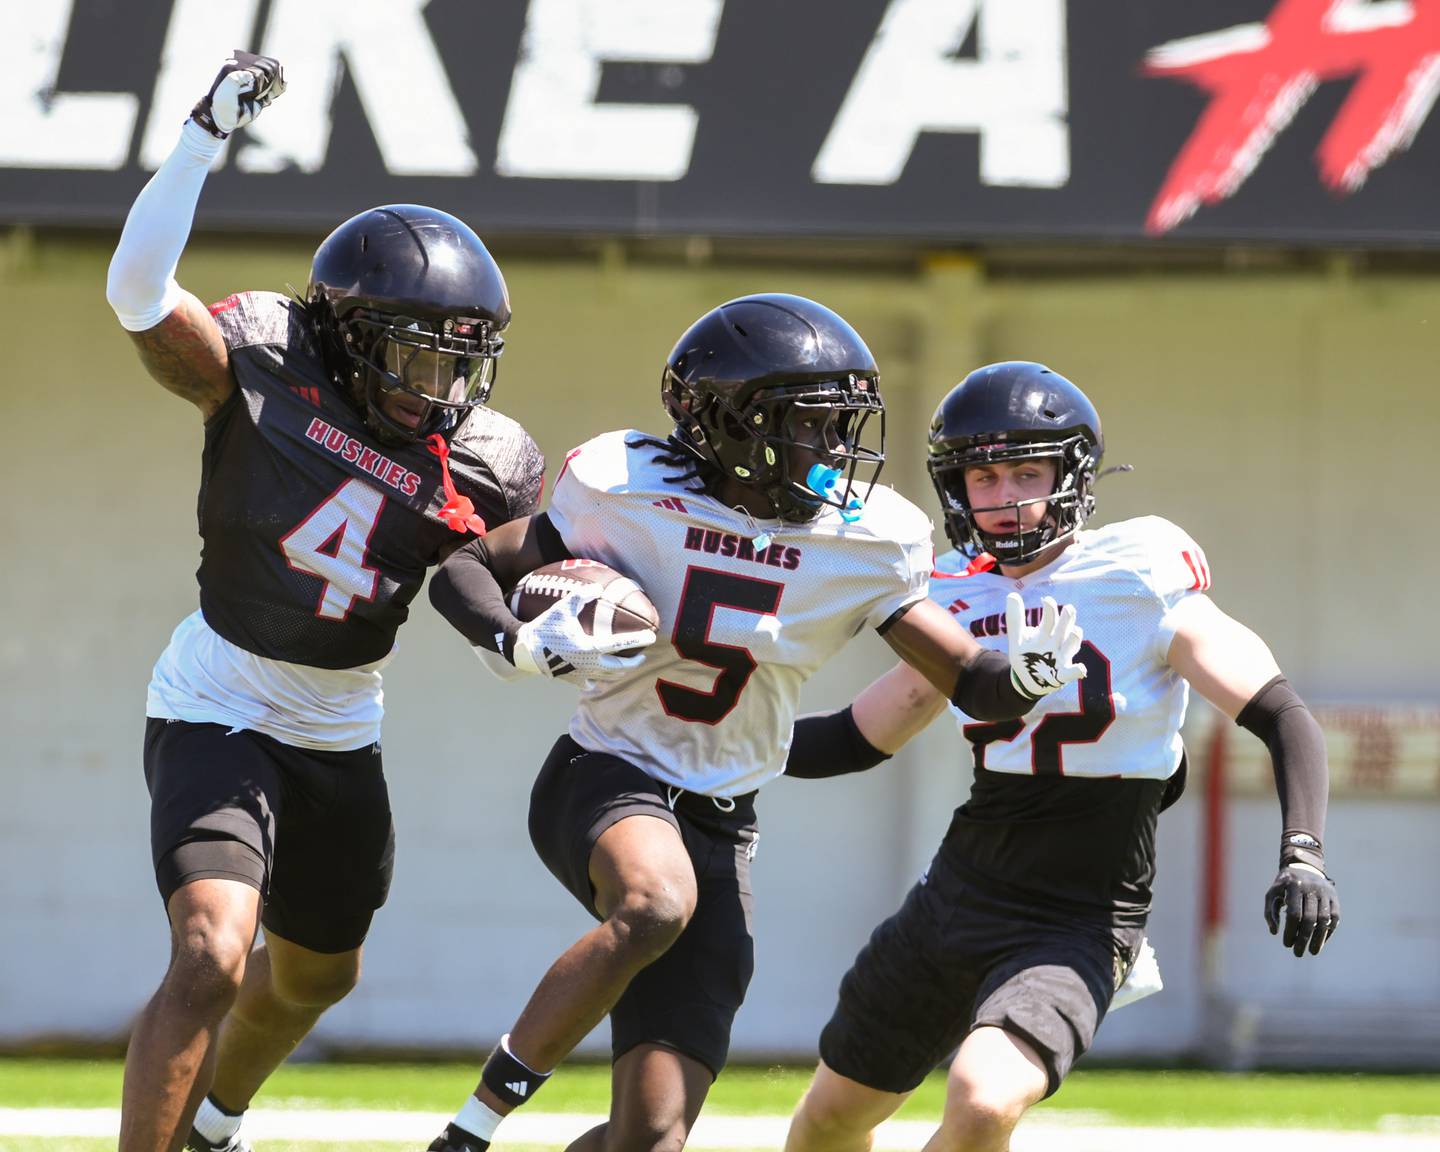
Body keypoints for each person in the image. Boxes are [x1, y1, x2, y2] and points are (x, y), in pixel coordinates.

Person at [422, 295, 1088, 1152]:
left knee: (651, 1135)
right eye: (812, 423)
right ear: (732, 422)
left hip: (723, 820)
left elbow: (969, 679)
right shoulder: (628, 488)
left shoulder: (868, 541)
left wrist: (1024, 677)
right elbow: (469, 567)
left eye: (843, 423)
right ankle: (469, 1131)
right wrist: (514, 642)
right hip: (608, 770)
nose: (837, 448)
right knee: (655, 903)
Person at [104, 52, 545, 1152]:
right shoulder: (265, 366)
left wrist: (539, 625)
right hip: (219, 697)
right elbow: (137, 295)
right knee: (210, 955)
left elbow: (481, 574)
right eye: (418, 359)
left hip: (341, 722)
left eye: (462, 363)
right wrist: (201, 139)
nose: (443, 390)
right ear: (348, 335)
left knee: (316, 978)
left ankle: (215, 1126)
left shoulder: (485, 459)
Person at [781, 361, 1341, 1152]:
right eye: (984, 476)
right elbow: (857, 735)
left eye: (1027, 472)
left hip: (1083, 909)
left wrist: (1304, 854)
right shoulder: (954, 595)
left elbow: (1282, 713)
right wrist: (712, 745)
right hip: (961, 888)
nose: (1005, 496)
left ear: (1071, 476)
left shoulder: (1137, 576)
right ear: (954, 487)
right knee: (830, 1119)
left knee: (982, 1100)